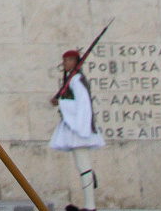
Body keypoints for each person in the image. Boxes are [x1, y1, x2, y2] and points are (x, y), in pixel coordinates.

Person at [50, 49, 104, 211]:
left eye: (67, 61)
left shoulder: (76, 80)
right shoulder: (73, 79)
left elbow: (83, 104)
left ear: (74, 61)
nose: (64, 64)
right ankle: (89, 205)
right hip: (76, 127)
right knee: (82, 165)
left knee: (83, 166)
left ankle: (90, 206)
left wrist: (61, 103)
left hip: (79, 128)